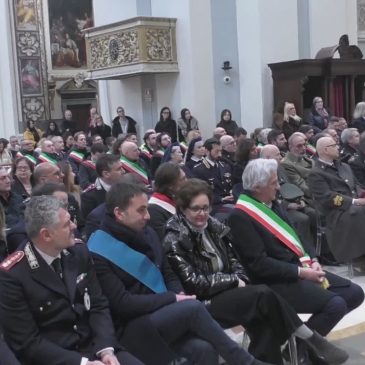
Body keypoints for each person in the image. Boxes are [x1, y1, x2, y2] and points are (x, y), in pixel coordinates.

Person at [164, 178, 349, 365]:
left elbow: (236, 263)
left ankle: (294, 348)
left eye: (206, 208)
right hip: (203, 302)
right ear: (183, 208)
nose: (202, 214)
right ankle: (308, 338)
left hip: (232, 293)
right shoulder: (174, 238)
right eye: (196, 208)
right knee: (261, 294)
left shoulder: (214, 227)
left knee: (264, 319)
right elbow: (195, 283)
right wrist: (234, 281)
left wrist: (236, 280)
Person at [88, 182, 273, 365]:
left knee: (203, 349)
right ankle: (247, 362)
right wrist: (173, 299)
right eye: (141, 210)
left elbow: (168, 272)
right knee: (192, 308)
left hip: (163, 312)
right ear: (119, 213)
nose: (148, 216)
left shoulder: (147, 232)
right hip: (133, 326)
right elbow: (122, 304)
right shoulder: (99, 250)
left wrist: (179, 294)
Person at [227, 159, 363, 344]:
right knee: (335, 304)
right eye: (274, 183)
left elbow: (297, 236)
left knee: (354, 293)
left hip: (300, 267)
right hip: (275, 281)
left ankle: (304, 340)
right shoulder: (240, 216)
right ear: (258, 187)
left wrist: (313, 260)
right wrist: (302, 272)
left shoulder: (272, 203)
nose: (278, 187)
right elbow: (258, 264)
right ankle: (306, 346)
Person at [0, 196, 142, 365]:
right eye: (67, 224)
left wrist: (106, 349)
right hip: (57, 359)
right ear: (46, 235)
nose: (75, 226)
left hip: (95, 347)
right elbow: (27, 343)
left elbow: (98, 304)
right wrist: (82, 363)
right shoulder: (13, 275)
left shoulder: (78, 252)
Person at [308, 136, 365, 261]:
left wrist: (362, 195)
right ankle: (359, 258)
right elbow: (327, 197)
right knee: (361, 212)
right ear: (325, 150)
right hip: (336, 212)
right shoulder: (316, 173)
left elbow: (357, 186)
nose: (338, 147)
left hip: (355, 206)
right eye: (334, 145)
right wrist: (354, 201)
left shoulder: (344, 166)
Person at [192, 138, 234, 210]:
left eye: (220, 151)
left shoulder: (225, 166)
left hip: (229, 201)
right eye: (216, 151)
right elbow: (201, 193)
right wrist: (221, 199)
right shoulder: (199, 170)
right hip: (214, 205)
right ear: (207, 151)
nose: (220, 154)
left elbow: (231, 185)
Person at [148, 162, 186, 239]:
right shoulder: (154, 210)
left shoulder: (178, 199)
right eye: (183, 179)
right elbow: (166, 239)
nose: (187, 181)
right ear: (171, 186)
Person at [81, 154, 125, 219]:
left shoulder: (127, 186)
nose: (123, 171)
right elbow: (90, 224)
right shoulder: (89, 196)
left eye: (122, 168)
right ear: (106, 174)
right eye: (119, 169)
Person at [281, 133, 313, 198]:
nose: (304, 148)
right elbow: (301, 185)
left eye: (304, 144)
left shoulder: (305, 157)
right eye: (299, 146)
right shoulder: (287, 164)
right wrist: (320, 194)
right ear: (290, 147)